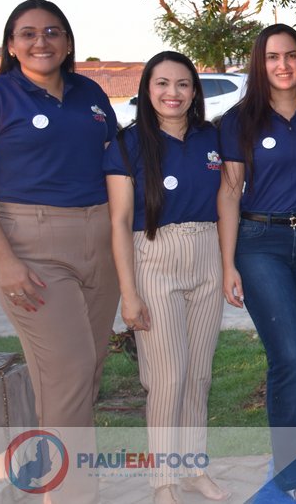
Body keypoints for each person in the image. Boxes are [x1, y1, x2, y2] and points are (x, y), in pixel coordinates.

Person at [0, 0, 119, 503]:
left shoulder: (89, 93)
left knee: (84, 372)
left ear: (68, 41)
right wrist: (4, 259)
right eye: (28, 33)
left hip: (99, 239)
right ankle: (72, 494)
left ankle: (55, 483)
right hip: (31, 245)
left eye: (53, 32)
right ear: (11, 45)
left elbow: (116, 164)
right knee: (70, 373)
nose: (42, 41)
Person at [217, 24, 296, 504]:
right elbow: (229, 193)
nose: (283, 65)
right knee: (288, 355)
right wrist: (228, 263)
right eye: (272, 57)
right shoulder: (238, 120)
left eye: (291, 55)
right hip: (259, 243)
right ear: (259, 62)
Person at [104, 52, 228, 504]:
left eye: (182, 84)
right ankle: (163, 480)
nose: (172, 93)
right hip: (153, 257)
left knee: (199, 375)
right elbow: (119, 221)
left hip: (207, 256)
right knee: (169, 377)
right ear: (147, 89)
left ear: (195, 91)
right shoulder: (128, 144)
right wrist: (128, 292)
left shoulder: (212, 138)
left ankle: (194, 469)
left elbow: (229, 199)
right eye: (162, 83)